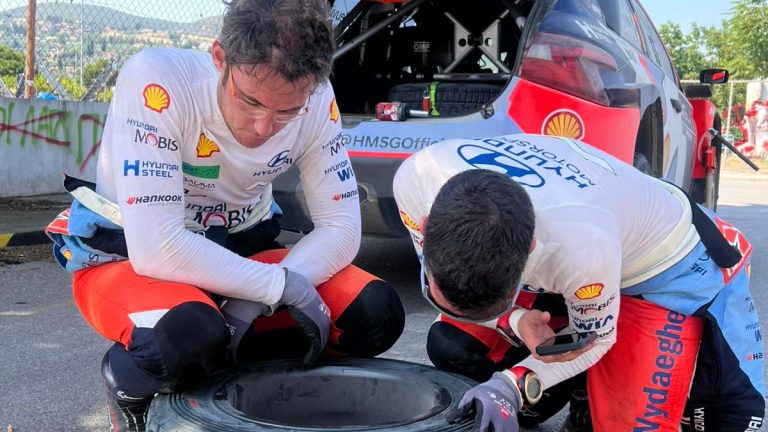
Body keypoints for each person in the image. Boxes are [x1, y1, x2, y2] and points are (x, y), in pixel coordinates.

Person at [44, 1, 405, 431]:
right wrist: (275, 287)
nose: (263, 128)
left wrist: (257, 294)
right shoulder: (157, 79)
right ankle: (129, 390)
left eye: (286, 111)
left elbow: (342, 227)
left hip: (244, 247)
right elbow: (157, 247)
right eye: (250, 101)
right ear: (220, 58)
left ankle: (265, 391)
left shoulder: (318, 95)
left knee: (375, 313)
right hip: (131, 256)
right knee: (187, 337)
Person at [393, 133, 765, 432]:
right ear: (425, 226)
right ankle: (575, 381)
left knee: (651, 424)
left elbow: (597, 338)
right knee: (453, 341)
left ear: (530, 251)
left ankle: (587, 386)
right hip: (583, 246)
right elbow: (450, 289)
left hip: (662, 270)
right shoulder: (416, 180)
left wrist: (513, 384)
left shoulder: (584, 244)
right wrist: (516, 321)